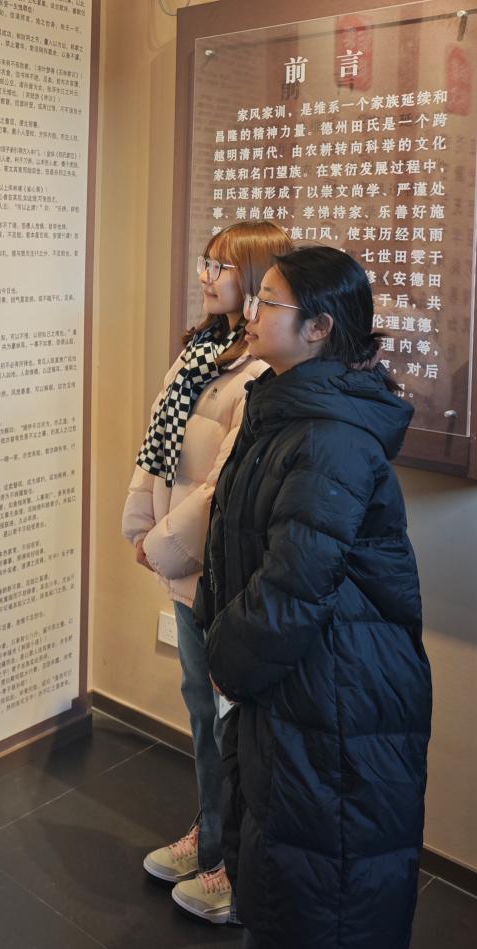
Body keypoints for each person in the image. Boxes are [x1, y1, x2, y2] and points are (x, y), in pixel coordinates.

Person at [199, 245, 432, 949]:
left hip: (335, 690)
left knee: (322, 890)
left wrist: (225, 661)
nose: (252, 311)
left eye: (268, 301)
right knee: (289, 872)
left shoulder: (329, 437)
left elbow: (292, 585)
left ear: (320, 328)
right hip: (301, 680)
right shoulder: (288, 409)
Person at [123, 220, 291, 925]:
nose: (205, 275)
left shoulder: (258, 372)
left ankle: (232, 866)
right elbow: (157, 446)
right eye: (205, 261)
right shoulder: (200, 351)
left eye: (220, 266)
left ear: (254, 280)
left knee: (232, 721)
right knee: (200, 707)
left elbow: (222, 488)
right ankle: (209, 832)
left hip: (219, 569)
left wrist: (163, 542)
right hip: (180, 561)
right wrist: (142, 526)